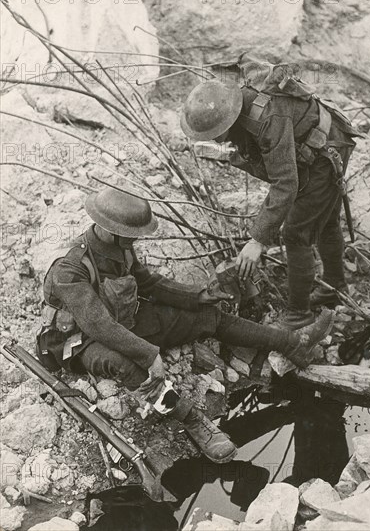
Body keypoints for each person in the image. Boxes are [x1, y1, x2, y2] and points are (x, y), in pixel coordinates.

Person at [37, 187, 333, 464]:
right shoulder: (70, 268)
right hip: (78, 340)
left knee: (209, 316)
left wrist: (201, 295)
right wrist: (148, 353)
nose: (135, 241)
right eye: (129, 235)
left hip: (122, 318)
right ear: (109, 230)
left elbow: (149, 283)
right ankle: (192, 420)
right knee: (128, 366)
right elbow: (96, 324)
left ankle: (293, 344)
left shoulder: (120, 248)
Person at [180, 74, 358, 330]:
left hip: (326, 151)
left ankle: (299, 314)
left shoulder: (268, 119)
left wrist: (258, 240)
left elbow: (286, 183)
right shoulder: (238, 107)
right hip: (314, 146)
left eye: (216, 133)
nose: (216, 140)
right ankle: (336, 287)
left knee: (296, 234)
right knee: (325, 220)